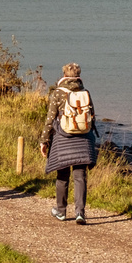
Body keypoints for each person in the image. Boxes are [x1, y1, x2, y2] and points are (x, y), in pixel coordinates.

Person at [39, 62, 97, 223]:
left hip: (63, 138)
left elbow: (50, 120)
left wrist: (44, 141)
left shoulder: (58, 93)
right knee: (80, 176)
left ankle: (61, 210)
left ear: (64, 75)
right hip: (83, 138)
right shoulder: (85, 92)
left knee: (62, 176)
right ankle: (80, 212)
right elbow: (92, 116)